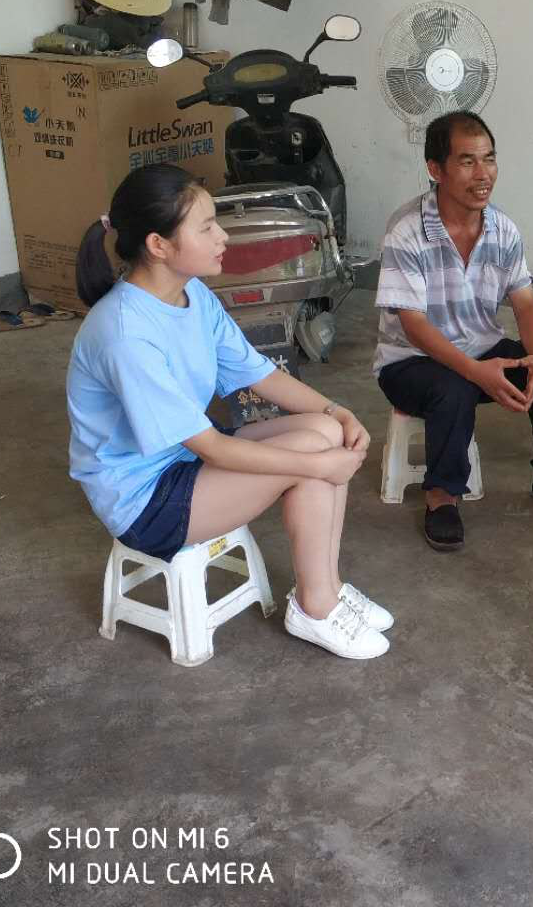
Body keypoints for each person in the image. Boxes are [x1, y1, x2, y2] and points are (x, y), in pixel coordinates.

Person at [67, 164, 392, 661]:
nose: (222, 237)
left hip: (184, 455)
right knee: (313, 454)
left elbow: (257, 374)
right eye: (206, 227)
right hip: (146, 499)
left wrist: (337, 409)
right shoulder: (125, 333)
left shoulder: (190, 293)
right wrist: (317, 465)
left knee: (326, 430)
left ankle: (326, 587)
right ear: (159, 245)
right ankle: (316, 606)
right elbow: (212, 447)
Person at [373, 110, 533, 551]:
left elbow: (526, 303)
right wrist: (476, 372)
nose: (483, 174)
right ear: (435, 169)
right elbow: (414, 327)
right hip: (409, 363)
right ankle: (442, 498)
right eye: (467, 161)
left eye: (489, 158)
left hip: (480, 349)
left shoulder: (502, 229)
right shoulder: (407, 231)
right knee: (453, 386)